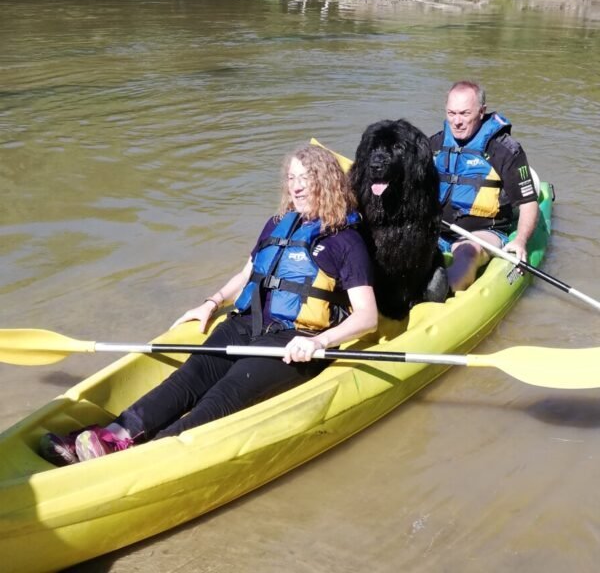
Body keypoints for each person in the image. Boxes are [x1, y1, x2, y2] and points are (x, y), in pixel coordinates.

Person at [39, 145, 378, 466]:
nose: (296, 188)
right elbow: (248, 275)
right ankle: (113, 436)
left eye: (306, 179)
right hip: (246, 323)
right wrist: (211, 303)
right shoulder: (278, 224)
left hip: (291, 341)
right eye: (291, 178)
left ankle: (148, 456)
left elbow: (367, 316)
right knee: (189, 378)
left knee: (226, 393)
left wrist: (319, 342)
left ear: (327, 182)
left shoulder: (344, 242)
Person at [430, 80, 539, 292]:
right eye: (451, 113)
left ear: (482, 112)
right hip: (438, 230)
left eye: (464, 114)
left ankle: (441, 293)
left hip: (483, 232)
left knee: (467, 252)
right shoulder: (434, 144)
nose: (457, 122)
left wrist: (521, 241)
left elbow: (527, 202)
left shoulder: (506, 150)